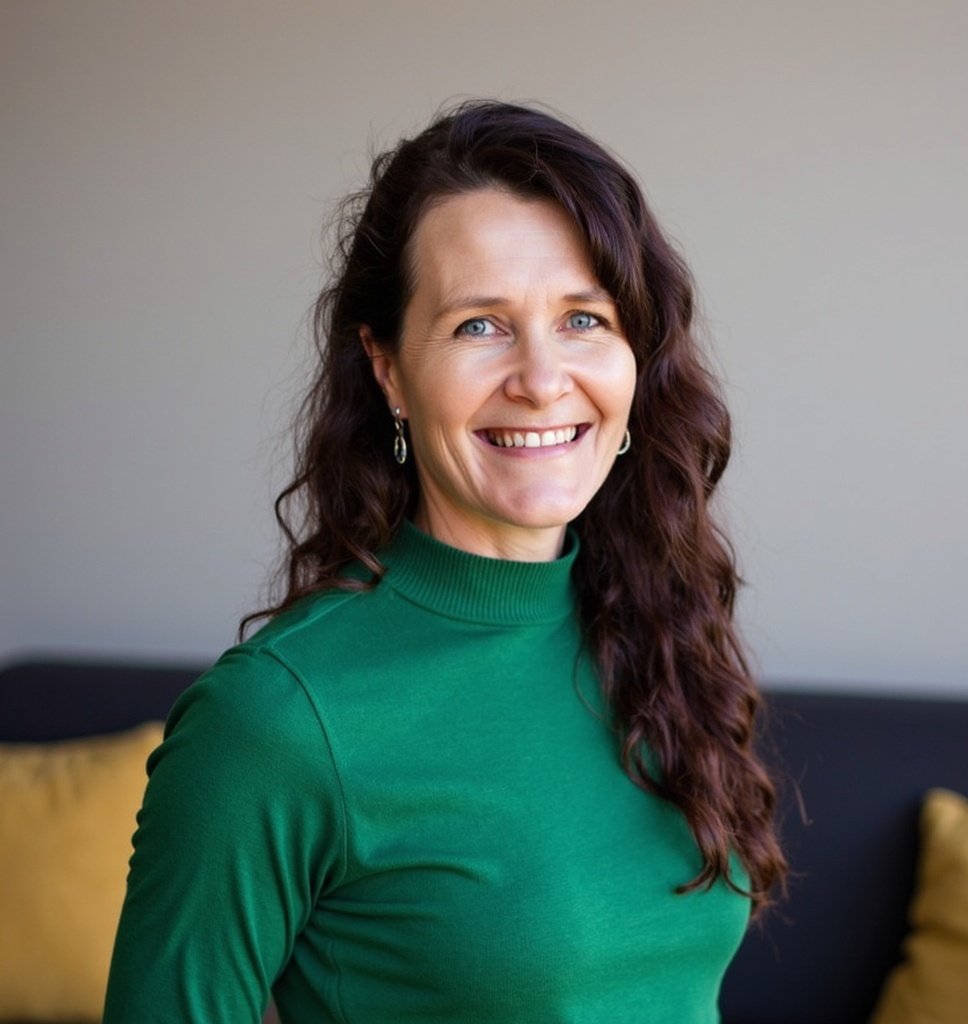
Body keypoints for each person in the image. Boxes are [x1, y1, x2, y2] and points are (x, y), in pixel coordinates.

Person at [104, 100, 786, 1024]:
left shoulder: (658, 634)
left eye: (584, 318)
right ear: (386, 367)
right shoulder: (276, 723)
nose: (543, 379)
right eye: (479, 326)